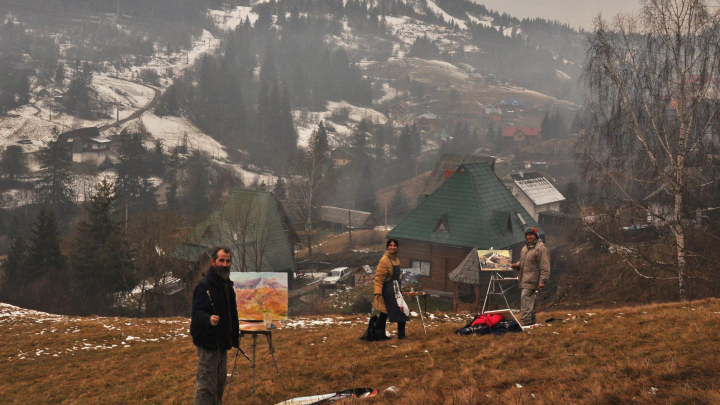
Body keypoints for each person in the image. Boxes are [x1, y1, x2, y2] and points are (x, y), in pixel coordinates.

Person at [190, 247, 240, 405]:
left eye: (228, 261)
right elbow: (197, 313)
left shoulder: (226, 285)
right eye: (221, 260)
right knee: (206, 389)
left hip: (222, 344)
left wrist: (234, 337)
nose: (225, 264)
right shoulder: (205, 286)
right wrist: (208, 319)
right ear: (213, 262)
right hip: (209, 345)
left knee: (219, 385)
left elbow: (231, 313)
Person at [511, 227, 551, 326]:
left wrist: (543, 281)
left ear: (536, 235)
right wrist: (517, 265)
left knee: (525, 298)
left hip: (533, 279)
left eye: (531, 234)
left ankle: (526, 322)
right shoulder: (525, 248)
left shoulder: (541, 249)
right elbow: (524, 261)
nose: (529, 236)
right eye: (527, 235)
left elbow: (545, 266)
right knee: (529, 300)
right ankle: (531, 321)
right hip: (525, 278)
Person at [373, 239, 410, 340]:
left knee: (401, 310)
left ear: (397, 247)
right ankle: (381, 336)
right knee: (385, 312)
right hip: (387, 290)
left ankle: (401, 335)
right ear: (387, 247)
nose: (392, 247)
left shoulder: (396, 259)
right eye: (390, 245)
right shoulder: (384, 260)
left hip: (396, 288)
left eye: (394, 245)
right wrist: (377, 293)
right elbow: (379, 278)